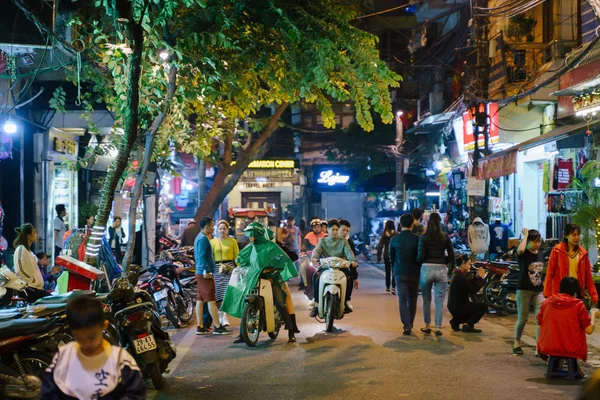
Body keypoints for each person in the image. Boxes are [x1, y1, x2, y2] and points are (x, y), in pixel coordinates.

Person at [41, 296, 146, 399]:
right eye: (79, 338)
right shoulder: (64, 358)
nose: (86, 344)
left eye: (91, 337)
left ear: (104, 326)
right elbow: (50, 392)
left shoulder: (120, 359)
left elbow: (136, 393)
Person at [221, 222, 299, 343]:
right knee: (243, 300)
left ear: (257, 235)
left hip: (271, 279)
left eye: (251, 235)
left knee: (279, 302)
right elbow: (242, 259)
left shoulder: (271, 246)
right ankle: (243, 334)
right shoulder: (250, 247)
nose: (249, 237)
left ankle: (291, 331)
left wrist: (274, 267)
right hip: (254, 279)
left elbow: (283, 259)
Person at [537, 277, 600, 378]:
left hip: (548, 345)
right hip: (571, 347)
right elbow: (589, 330)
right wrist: (593, 315)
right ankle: (576, 370)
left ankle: (566, 368)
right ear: (575, 292)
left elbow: (540, 326)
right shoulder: (578, 305)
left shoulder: (546, 302)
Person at [310, 219, 358, 316]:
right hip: (326, 266)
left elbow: (349, 252)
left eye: (337, 230)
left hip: (341, 267)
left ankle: (346, 302)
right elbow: (316, 251)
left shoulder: (343, 241)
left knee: (349, 278)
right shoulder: (322, 241)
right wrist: (314, 258)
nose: (335, 232)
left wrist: (352, 261)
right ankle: (316, 303)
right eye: (333, 229)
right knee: (316, 276)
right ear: (327, 230)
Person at [544, 223, 598, 307]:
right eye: (574, 235)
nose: (577, 237)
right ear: (566, 235)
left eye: (578, 235)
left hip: (577, 292)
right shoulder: (557, 251)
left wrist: (594, 296)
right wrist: (547, 294)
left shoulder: (583, 254)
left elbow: (588, 277)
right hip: (560, 293)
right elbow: (549, 273)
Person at [417, 212, 454, 336]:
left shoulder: (423, 237)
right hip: (441, 269)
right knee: (439, 300)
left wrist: (421, 263)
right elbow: (452, 256)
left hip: (426, 268)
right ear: (440, 223)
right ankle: (438, 327)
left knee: (426, 299)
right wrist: (443, 261)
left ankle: (427, 325)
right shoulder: (445, 237)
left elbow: (420, 256)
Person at [194, 217, 232, 336]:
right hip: (204, 274)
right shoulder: (203, 239)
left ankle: (200, 326)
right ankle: (217, 326)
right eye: (212, 226)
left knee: (200, 300)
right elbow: (201, 256)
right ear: (207, 227)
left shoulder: (201, 237)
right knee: (211, 300)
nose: (213, 228)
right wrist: (206, 270)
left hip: (200, 273)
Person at [513, 228, 544, 356]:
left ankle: (539, 346)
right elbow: (520, 249)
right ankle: (517, 342)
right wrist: (525, 235)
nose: (538, 244)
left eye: (539, 241)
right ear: (529, 241)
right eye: (535, 241)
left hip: (538, 291)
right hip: (524, 289)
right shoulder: (523, 253)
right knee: (523, 319)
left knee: (540, 319)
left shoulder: (541, 254)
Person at [390, 214, 420, 335]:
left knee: (402, 300)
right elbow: (419, 256)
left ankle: (406, 324)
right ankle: (410, 323)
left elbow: (392, 258)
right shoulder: (417, 239)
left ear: (401, 225)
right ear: (412, 224)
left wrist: (395, 269)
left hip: (400, 274)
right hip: (414, 274)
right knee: (412, 299)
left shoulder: (394, 240)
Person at [447, 254, 488, 333]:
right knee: (483, 307)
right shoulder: (460, 276)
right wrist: (482, 278)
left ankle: (456, 321)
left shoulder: (457, 274)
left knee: (473, 306)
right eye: (469, 264)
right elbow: (473, 289)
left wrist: (476, 277)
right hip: (458, 308)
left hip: (455, 307)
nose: (470, 266)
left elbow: (468, 284)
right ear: (463, 264)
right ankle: (469, 325)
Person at [211, 220, 239, 327]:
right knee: (218, 294)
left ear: (227, 230)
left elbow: (237, 256)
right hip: (217, 269)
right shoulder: (213, 242)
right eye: (220, 228)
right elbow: (211, 256)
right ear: (217, 230)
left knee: (226, 294)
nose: (222, 230)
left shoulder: (232, 241)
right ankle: (220, 314)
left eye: (224, 228)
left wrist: (239, 268)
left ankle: (225, 316)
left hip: (229, 269)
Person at [13, 224, 48, 302]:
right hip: (30, 289)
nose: (36, 235)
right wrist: (31, 279)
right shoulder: (21, 249)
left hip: (36, 289)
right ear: (29, 236)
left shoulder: (30, 252)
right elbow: (19, 269)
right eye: (34, 233)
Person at [338, 219, 360, 298]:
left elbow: (352, 259)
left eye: (347, 231)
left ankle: (346, 300)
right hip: (328, 268)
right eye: (343, 230)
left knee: (349, 280)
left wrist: (355, 277)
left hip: (343, 268)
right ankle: (316, 301)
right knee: (317, 277)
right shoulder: (327, 239)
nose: (345, 233)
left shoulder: (349, 243)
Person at [377, 220, 397, 294]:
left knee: (387, 272)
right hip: (394, 255)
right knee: (394, 271)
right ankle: (393, 287)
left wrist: (378, 257)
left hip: (386, 255)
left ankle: (387, 287)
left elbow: (380, 246)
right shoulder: (396, 234)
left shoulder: (384, 234)